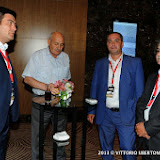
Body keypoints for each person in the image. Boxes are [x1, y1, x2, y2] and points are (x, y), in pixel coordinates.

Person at [87, 32, 144, 160]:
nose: (113, 44)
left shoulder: (135, 63)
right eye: (110, 41)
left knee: (128, 150)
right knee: (106, 148)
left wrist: (140, 116)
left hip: (126, 114)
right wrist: (92, 110)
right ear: (107, 44)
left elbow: (140, 92)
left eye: (116, 40)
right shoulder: (100, 63)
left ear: (122, 44)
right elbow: (94, 87)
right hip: (104, 113)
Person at [22, 32, 71, 160]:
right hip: (41, 102)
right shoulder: (38, 56)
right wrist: (47, 87)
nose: (59, 47)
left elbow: (66, 79)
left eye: (62, 45)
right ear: (48, 41)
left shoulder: (65, 57)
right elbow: (27, 79)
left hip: (60, 103)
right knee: (38, 136)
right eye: (56, 43)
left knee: (61, 135)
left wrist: (68, 86)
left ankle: (60, 158)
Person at [0, 7, 19, 160]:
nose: (15, 28)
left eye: (15, 24)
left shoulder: (3, 51)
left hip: (3, 117)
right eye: (10, 23)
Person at [136, 39, 160, 160]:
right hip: (145, 136)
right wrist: (141, 125)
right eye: (158, 51)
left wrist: (147, 128)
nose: (159, 54)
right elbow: (142, 102)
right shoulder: (152, 77)